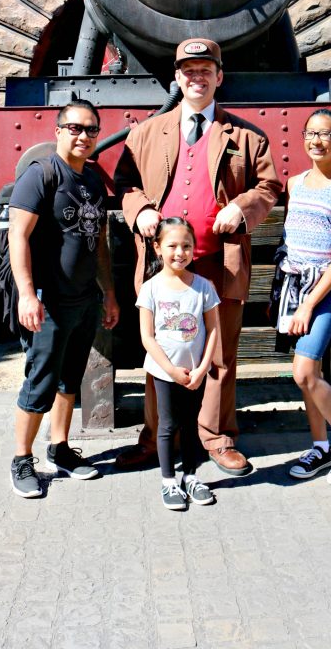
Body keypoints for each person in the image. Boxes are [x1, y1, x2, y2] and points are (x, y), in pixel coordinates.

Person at [114, 37, 282, 476]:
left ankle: (217, 437)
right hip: (162, 272)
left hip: (217, 265)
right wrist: (141, 210)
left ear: (219, 77)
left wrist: (241, 208)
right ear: (176, 77)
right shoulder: (146, 133)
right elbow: (125, 185)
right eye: (188, 70)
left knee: (220, 356)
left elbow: (268, 187)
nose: (197, 77)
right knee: (160, 354)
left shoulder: (246, 136)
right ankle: (155, 438)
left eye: (206, 70)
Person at [8, 100, 120, 498]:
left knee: (70, 379)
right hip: (49, 300)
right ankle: (21, 459)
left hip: (84, 299)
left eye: (91, 129)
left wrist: (108, 294)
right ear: (58, 130)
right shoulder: (42, 175)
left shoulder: (91, 180)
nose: (83, 136)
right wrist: (26, 295)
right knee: (39, 382)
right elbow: (17, 236)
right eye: (75, 127)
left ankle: (60, 448)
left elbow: (99, 243)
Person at [269, 109, 331, 487]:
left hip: (325, 291)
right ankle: (320, 446)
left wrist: (309, 303)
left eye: (325, 135)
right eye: (310, 134)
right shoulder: (294, 184)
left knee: (304, 372)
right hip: (293, 286)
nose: (316, 141)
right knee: (313, 376)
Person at [138, 218, 219, 510]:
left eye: (187, 246)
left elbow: (213, 331)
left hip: (196, 372)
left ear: (194, 249)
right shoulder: (151, 289)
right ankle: (168, 480)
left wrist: (202, 369)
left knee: (190, 423)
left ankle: (191, 475)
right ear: (157, 247)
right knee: (167, 424)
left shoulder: (204, 287)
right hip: (165, 371)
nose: (180, 252)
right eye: (172, 245)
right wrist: (171, 370)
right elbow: (147, 337)